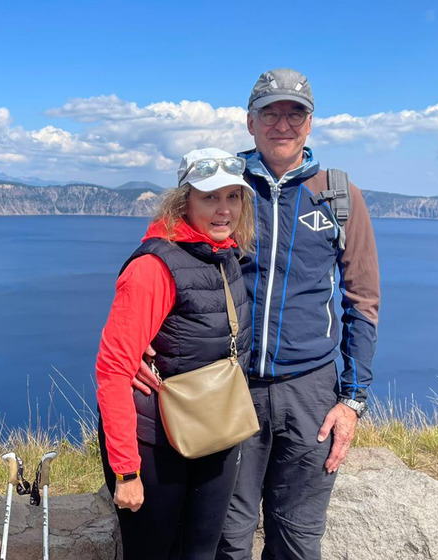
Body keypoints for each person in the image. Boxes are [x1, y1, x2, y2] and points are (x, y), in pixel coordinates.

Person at [134, 68, 381, 559]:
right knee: (226, 532)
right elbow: (161, 256)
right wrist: (142, 338)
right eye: (271, 112)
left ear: (310, 123)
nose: (282, 123)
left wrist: (351, 403)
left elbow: (362, 301)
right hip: (229, 385)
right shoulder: (225, 186)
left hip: (310, 389)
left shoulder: (338, 196)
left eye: (295, 113)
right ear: (250, 121)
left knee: (298, 536)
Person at [95, 147, 256, 560]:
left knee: (200, 551)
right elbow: (113, 370)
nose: (224, 210)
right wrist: (126, 472)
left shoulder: (225, 256)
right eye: (209, 197)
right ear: (183, 201)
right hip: (154, 445)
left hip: (213, 430)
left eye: (233, 196)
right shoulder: (154, 266)